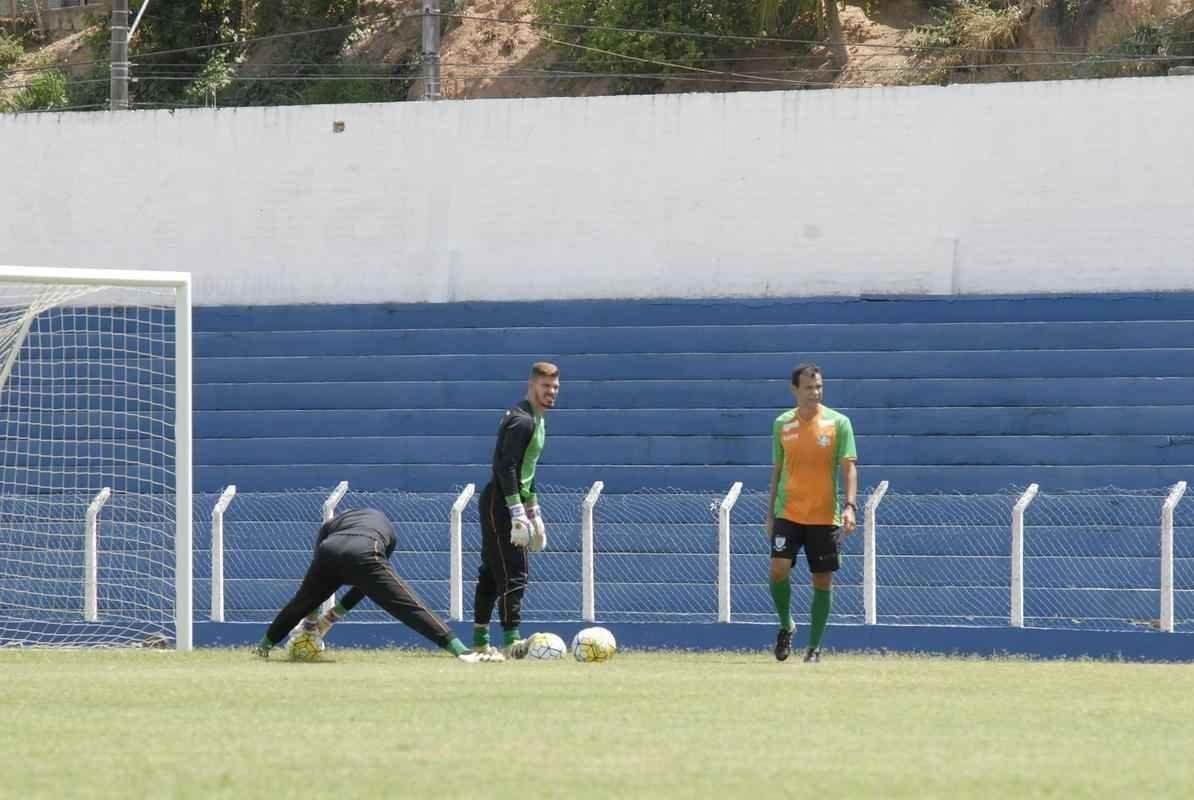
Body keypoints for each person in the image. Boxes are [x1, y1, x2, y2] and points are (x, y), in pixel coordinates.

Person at [253, 507, 501, 663]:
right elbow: (365, 586)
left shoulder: (330, 525)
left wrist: (314, 621)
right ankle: (460, 650)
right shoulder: (389, 531)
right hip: (365, 550)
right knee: (406, 604)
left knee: (299, 602)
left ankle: (263, 648)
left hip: (329, 551)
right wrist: (329, 618)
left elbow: (312, 589)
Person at [766, 363, 858, 663]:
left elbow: (848, 467)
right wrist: (770, 514)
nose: (814, 393)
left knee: (822, 581)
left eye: (818, 387)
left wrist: (849, 506)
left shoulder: (838, 423)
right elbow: (777, 470)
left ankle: (814, 648)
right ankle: (787, 625)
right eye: (808, 387)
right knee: (778, 569)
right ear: (795, 390)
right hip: (788, 511)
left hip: (823, 515)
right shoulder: (782, 424)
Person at [472, 361, 560, 658]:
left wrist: (534, 510)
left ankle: (481, 641)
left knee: (491, 573)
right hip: (501, 502)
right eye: (545, 386)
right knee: (514, 573)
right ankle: (512, 642)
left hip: (509, 501)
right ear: (532, 385)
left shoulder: (538, 420)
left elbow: (527, 469)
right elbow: (505, 467)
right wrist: (516, 512)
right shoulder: (523, 420)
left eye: (555, 387)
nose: (551, 392)